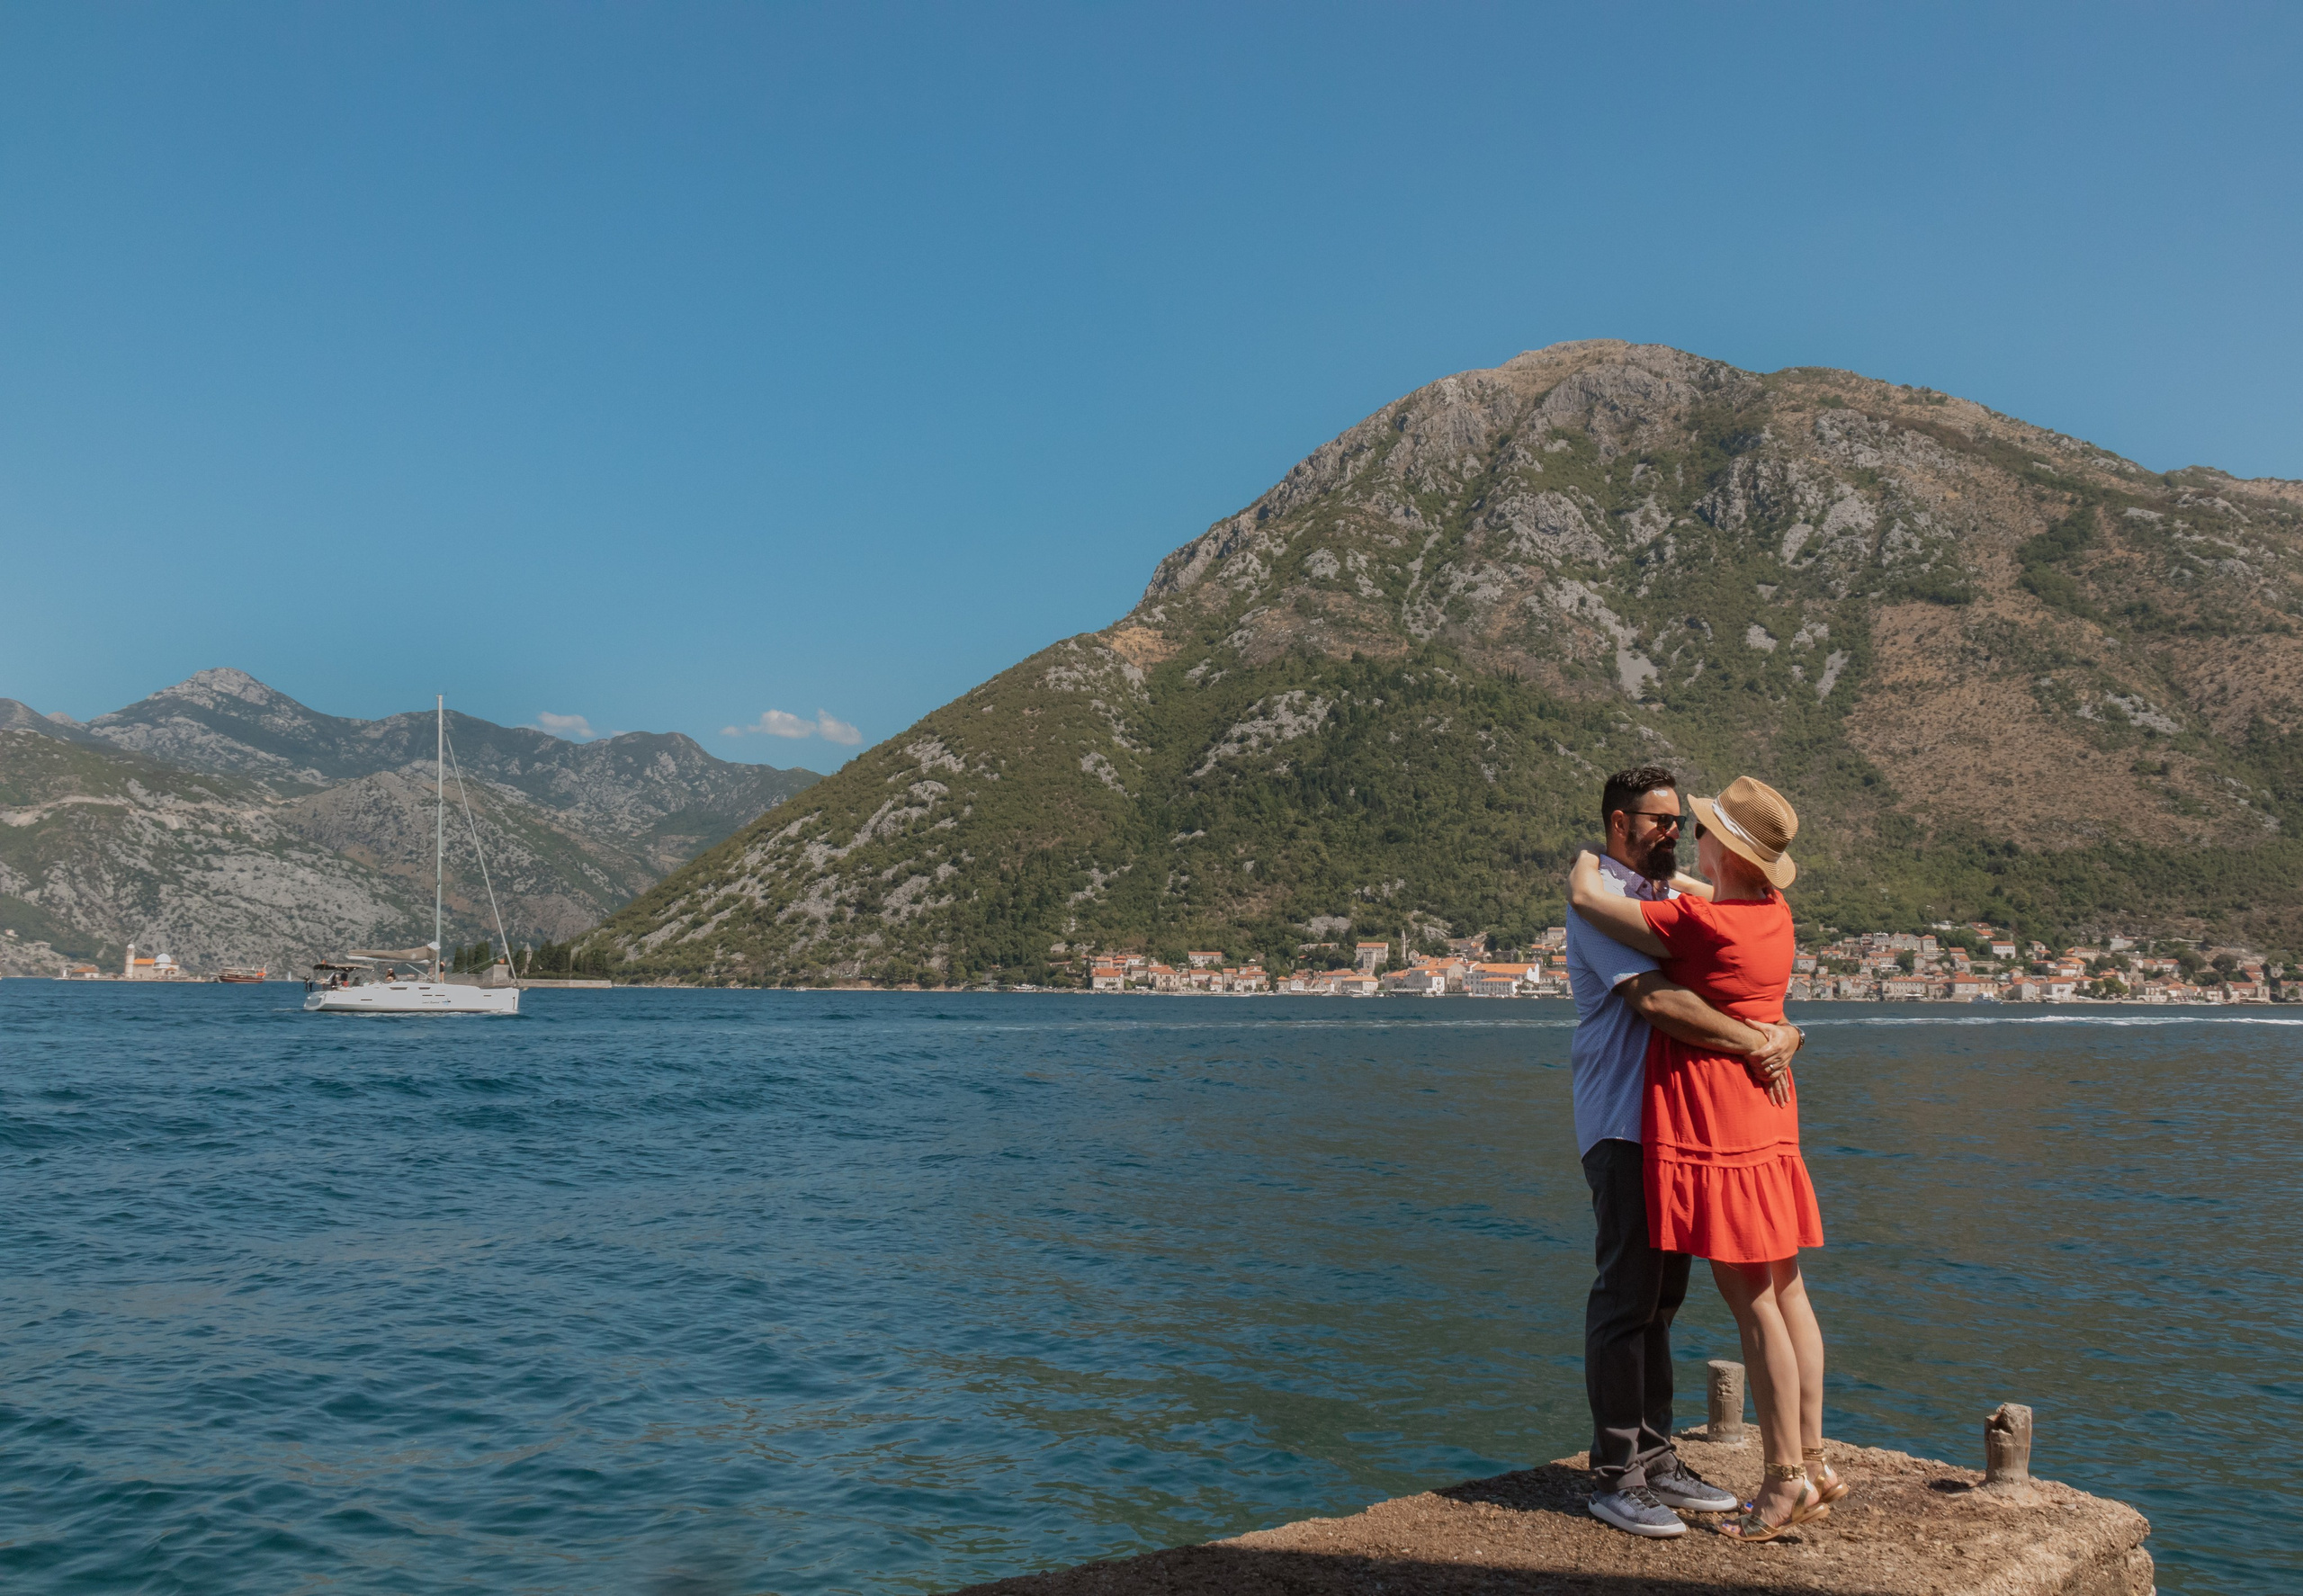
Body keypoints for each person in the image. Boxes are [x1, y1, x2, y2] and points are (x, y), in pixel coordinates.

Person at [1569, 775, 1839, 1544]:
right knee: (1635, 1299)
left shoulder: (1695, 910)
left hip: (1697, 1128)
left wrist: (1778, 1031)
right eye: (1663, 822)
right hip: (1630, 1125)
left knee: (1667, 1302)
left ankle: (1660, 1459)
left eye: (1691, 825)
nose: (1680, 835)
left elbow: (1684, 920)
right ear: (1622, 822)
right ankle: (1621, 1473)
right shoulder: (1745, 910)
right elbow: (1657, 1001)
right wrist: (1771, 1035)